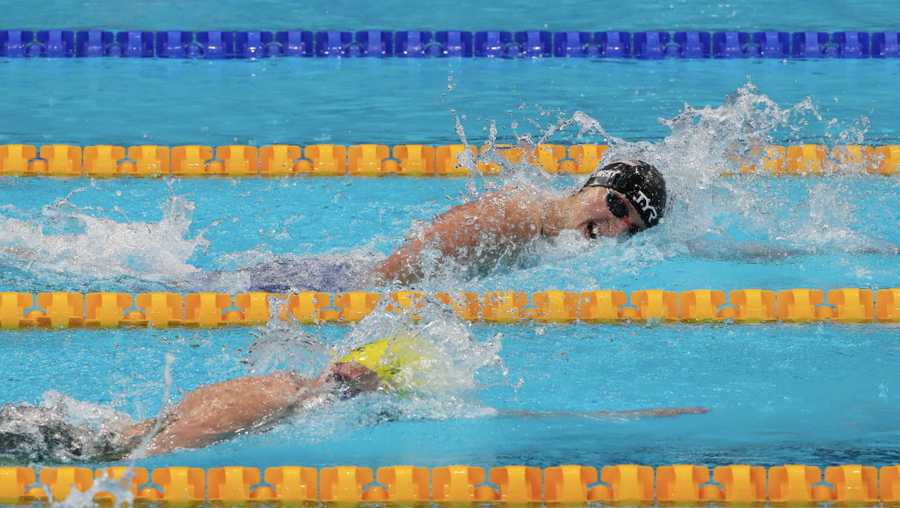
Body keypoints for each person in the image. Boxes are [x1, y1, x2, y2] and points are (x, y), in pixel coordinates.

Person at [0, 335, 705, 462]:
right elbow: (151, 450)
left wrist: (621, 419)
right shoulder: (280, 391)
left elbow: (483, 414)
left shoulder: (317, 401)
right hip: (76, 449)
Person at [235, 160, 667, 291]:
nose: (615, 223)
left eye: (630, 225)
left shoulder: (548, 237)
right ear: (590, 187)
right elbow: (401, 267)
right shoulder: (517, 216)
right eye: (615, 203)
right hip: (333, 286)